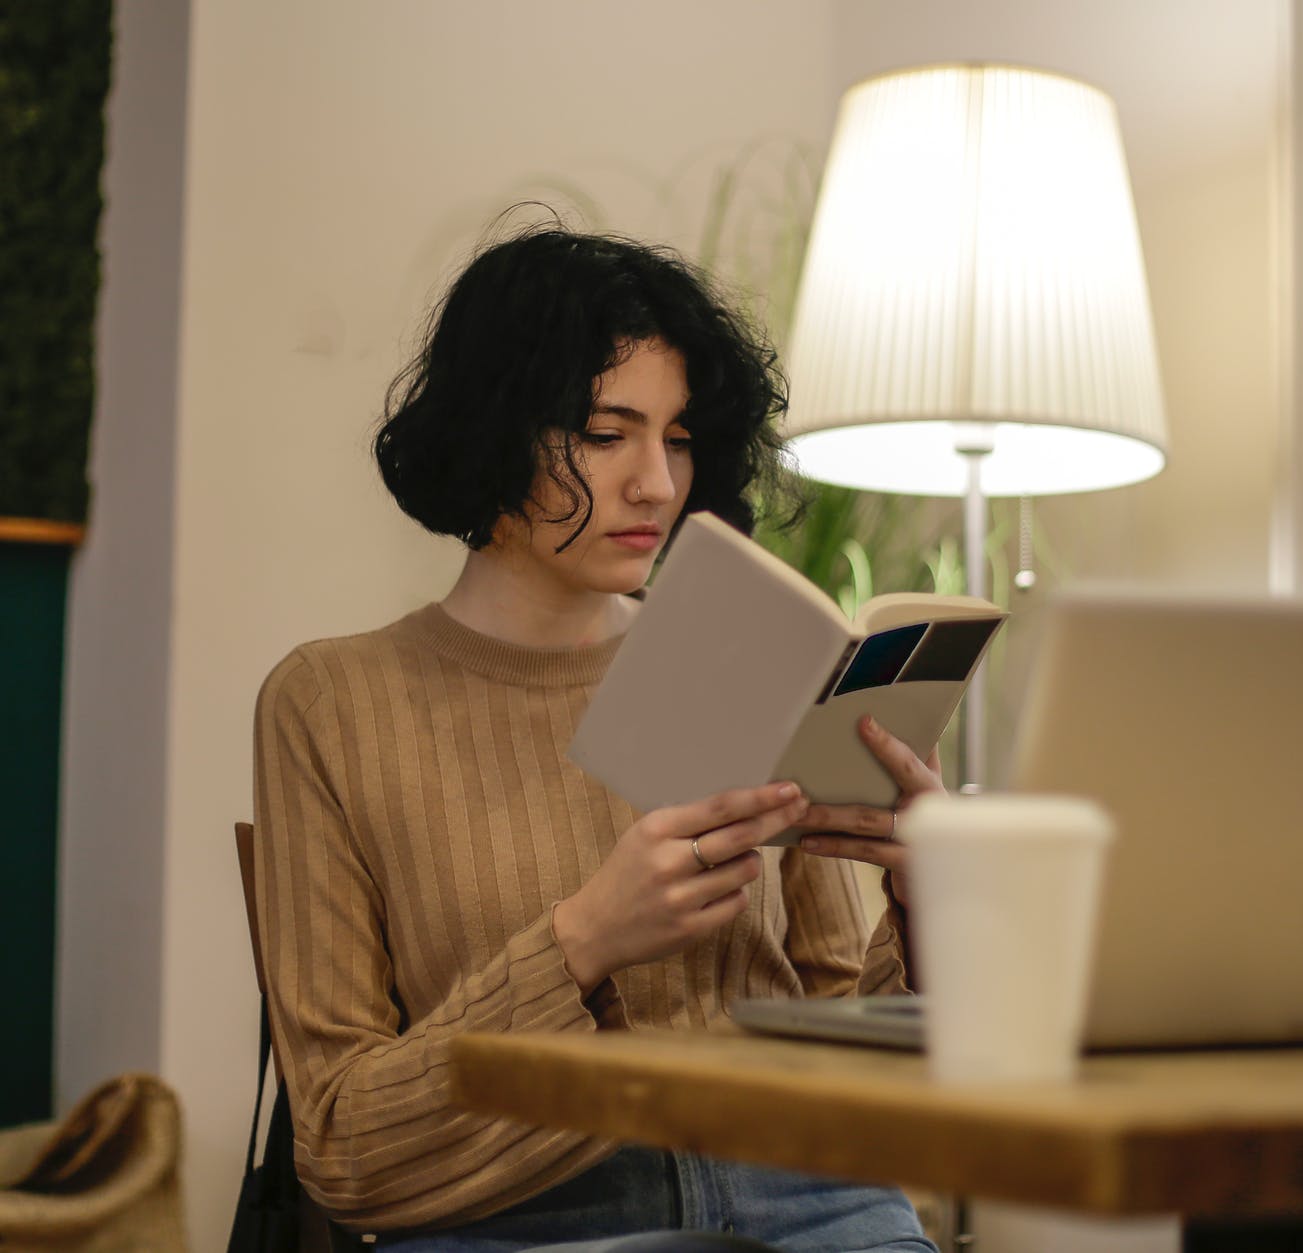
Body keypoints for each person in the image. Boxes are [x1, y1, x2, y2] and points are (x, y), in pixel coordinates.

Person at [251, 223, 941, 1252]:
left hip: (819, 1206)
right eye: (604, 432)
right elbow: (345, 1147)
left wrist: (933, 904)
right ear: (495, 430)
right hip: (523, 1223)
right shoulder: (333, 701)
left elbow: (848, 1048)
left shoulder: (742, 652)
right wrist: (584, 940)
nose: (656, 484)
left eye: (675, 436)